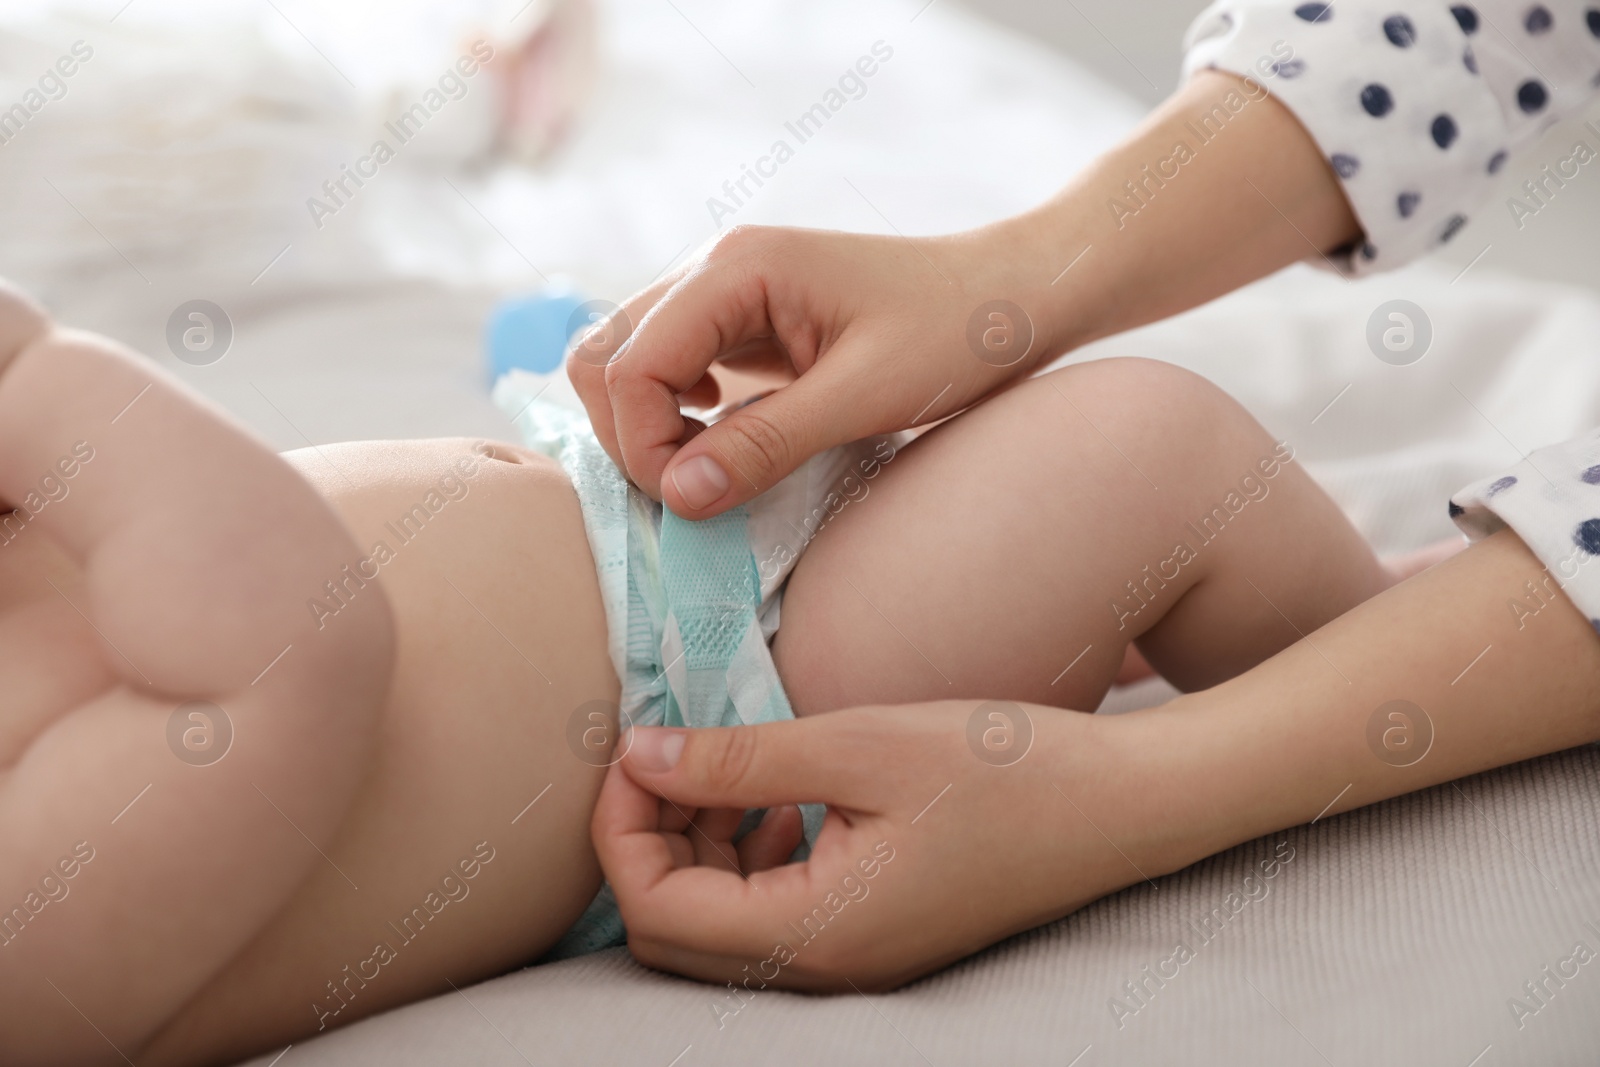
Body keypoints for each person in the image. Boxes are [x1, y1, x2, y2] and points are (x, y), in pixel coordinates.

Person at [0, 269, 1429, 1063]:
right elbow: (287, 644)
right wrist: (34, 370)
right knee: (1147, 453)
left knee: (892, 367)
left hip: (626, 522)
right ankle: (1380, 633)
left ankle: (1107, 617)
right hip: (738, 709)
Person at [571, 0, 1600, 991]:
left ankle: (1366, 631)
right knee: (1139, 454)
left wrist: (1129, 792)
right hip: (673, 593)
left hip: (731, 659)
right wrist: (1011, 272)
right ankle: (1359, 621)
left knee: (1146, 447)